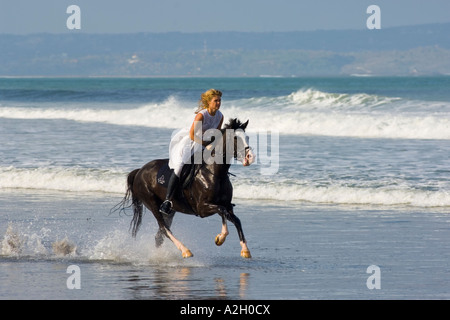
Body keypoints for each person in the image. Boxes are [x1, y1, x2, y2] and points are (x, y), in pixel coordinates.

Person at [159, 89, 224, 215]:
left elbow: (216, 134)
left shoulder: (220, 116)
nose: (218, 103)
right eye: (216, 101)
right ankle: (167, 201)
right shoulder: (201, 115)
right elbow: (192, 134)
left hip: (206, 144)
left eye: (220, 100)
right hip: (192, 143)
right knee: (179, 167)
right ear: (208, 102)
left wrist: (213, 145)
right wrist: (205, 144)